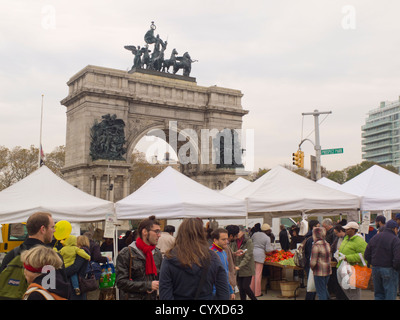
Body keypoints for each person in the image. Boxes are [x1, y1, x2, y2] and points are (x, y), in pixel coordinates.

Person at [159, 218, 229, 300]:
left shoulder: (169, 257)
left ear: (180, 234)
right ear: (202, 234)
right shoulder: (212, 256)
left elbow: (164, 292)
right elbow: (223, 290)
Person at [116, 215, 162, 300]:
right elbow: (120, 282)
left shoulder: (157, 253)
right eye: (156, 231)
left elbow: (160, 278)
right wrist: (147, 285)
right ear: (145, 232)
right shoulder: (127, 253)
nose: (159, 235)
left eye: (160, 232)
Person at [364, 219, 400, 300]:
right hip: (389, 269)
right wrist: (395, 267)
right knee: (390, 294)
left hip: (376, 268)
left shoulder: (375, 237)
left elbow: (366, 254)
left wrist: (372, 263)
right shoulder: (395, 239)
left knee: (378, 294)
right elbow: (398, 258)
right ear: (395, 228)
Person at [337, 221, 368, 300]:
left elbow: (364, 255)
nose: (346, 230)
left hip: (353, 269)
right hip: (344, 268)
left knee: (354, 291)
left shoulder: (359, 241)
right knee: (346, 289)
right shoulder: (346, 239)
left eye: (348, 229)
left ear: (354, 230)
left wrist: (347, 257)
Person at [230, 225, 257, 300]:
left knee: (245, 287)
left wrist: (240, 266)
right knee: (241, 288)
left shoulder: (248, 241)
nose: (237, 234)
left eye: (238, 232)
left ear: (243, 232)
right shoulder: (234, 241)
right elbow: (232, 252)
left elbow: (248, 256)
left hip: (247, 267)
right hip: (237, 268)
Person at [210, 228, 235, 299]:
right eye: (223, 239)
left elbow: (225, 273)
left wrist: (231, 290)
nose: (226, 241)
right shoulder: (210, 253)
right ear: (215, 240)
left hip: (224, 291)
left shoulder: (223, 252)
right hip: (213, 293)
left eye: (227, 239)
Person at [250, 223, 273, 297]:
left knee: (252, 274)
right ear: (267, 231)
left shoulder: (255, 234)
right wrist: (274, 248)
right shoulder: (267, 238)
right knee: (258, 274)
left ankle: (251, 291)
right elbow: (268, 249)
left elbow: (251, 242)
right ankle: (257, 293)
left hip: (252, 254)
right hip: (260, 255)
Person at [83, 231, 108, 300]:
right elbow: (97, 257)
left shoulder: (80, 246)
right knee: (93, 294)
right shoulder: (94, 245)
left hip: (82, 273)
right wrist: (106, 259)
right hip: (93, 273)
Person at [309, 227, 332, 300]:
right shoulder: (327, 243)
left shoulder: (316, 245)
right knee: (324, 289)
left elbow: (313, 262)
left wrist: (312, 268)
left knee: (320, 292)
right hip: (327, 270)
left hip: (319, 271)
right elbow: (330, 257)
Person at [329, 224, 348, 300]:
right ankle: (339, 296)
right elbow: (333, 247)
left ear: (341, 231)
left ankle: (343, 297)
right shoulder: (338, 238)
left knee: (344, 281)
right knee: (337, 280)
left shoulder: (346, 239)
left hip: (344, 262)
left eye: (337, 233)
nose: (336, 235)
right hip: (337, 261)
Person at [304, 220, 320, 300]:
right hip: (311, 263)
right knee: (312, 284)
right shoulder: (312, 238)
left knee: (312, 284)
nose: (319, 228)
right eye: (317, 226)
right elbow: (312, 253)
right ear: (313, 227)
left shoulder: (308, 236)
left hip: (308, 263)